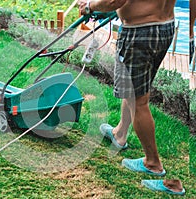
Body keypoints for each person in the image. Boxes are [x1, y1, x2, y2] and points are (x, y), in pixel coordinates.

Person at [78, 0, 185, 195]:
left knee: (138, 100)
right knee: (135, 90)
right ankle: (120, 134)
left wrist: (90, 6)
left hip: (139, 33)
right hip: (165, 26)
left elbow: (114, 1)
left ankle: (152, 163)